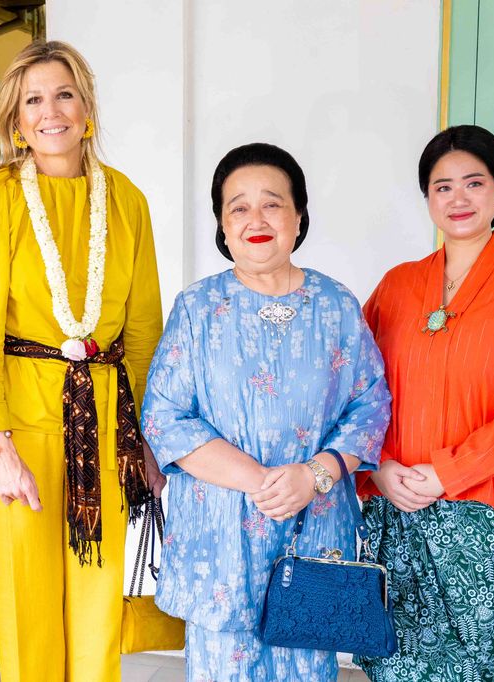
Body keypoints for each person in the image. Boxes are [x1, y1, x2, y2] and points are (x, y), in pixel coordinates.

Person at [0, 40, 165, 682]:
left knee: (98, 602)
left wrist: (147, 437)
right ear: (16, 120)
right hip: (17, 429)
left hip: (106, 422)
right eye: (33, 100)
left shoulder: (127, 200)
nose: (51, 112)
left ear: (87, 108)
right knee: (29, 601)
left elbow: (145, 331)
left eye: (64, 95)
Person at [141, 142, 392, 681]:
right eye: (238, 207)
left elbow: (370, 405)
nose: (255, 219)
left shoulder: (336, 305)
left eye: (272, 204)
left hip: (313, 531)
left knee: (307, 666)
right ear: (222, 225)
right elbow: (164, 417)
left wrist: (314, 475)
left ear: (298, 217)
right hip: (220, 539)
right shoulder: (196, 308)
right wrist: (263, 482)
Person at [355, 124, 494, 681]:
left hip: (490, 514)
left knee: (473, 671)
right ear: (427, 197)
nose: (459, 198)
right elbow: (355, 389)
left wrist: (449, 472)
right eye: (443, 186)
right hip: (396, 510)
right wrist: (376, 468)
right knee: (393, 663)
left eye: (474, 183)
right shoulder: (397, 285)